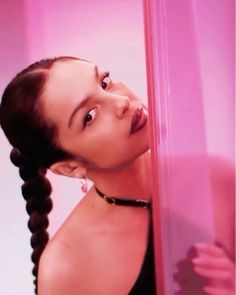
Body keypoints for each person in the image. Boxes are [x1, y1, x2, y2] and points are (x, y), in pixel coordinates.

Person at [0, 56, 234, 295]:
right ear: (70, 168)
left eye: (105, 82)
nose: (121, 101)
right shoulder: (66, 267)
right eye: (89, 116)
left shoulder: (216, 178)